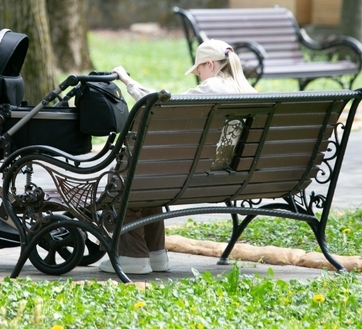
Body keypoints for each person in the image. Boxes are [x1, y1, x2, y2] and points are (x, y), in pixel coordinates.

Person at [100, 39, 257, 275]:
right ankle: (156, 254)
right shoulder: (249, 92)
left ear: (210, 65)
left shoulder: (212, 88)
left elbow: (160, 106)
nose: (200, 76)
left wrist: (127, 81)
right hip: (232, 177)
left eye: (199, 70)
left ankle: (133, 256)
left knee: (126, 181)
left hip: (187, 176)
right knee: (147, 182)